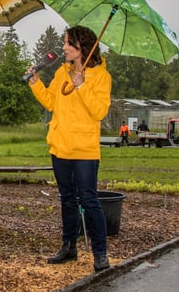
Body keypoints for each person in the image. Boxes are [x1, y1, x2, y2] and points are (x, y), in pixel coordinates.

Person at [26, 25, 112, 272]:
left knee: (89, 199)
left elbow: (99, 111)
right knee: (67, 200)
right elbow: (52, 102)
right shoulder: (62, 73)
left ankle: (100, 253)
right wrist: (35, 83)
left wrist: (83, 86)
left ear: (81, 47)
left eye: (67, 44)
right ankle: (69, 247)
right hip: (60, 147)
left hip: (84, 150)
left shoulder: (102, 77)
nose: (63, 47)